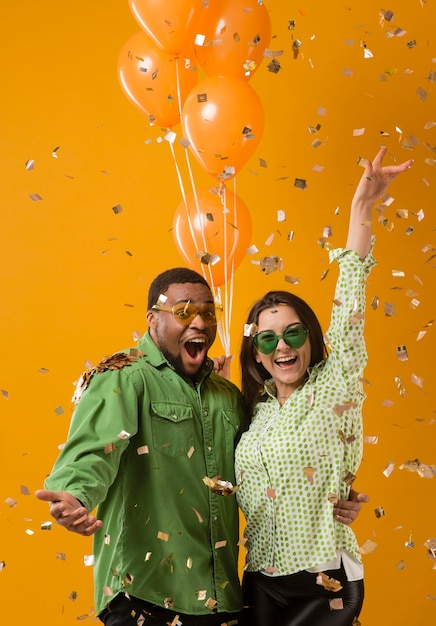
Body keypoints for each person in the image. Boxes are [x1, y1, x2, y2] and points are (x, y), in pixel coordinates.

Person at [35, 268, 367, 625]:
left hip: (220, 601)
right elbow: (93, 451)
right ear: (152, 319)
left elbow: (267, 463)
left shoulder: (228, 397)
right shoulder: (123, 376)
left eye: (208, 313)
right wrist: (76, 494)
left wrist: (333, 492)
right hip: (144, 593)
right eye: (183, 311)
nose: (198, 322)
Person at [234, 146, 413, 626]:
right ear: (256, 353)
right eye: (267, 339)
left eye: (293, 333)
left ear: (310, 338)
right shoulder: (254, 411)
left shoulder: (335, 383)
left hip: (324, 577)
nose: (282, 347)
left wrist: (362, 210)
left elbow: (350, 302)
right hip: (258, 580)